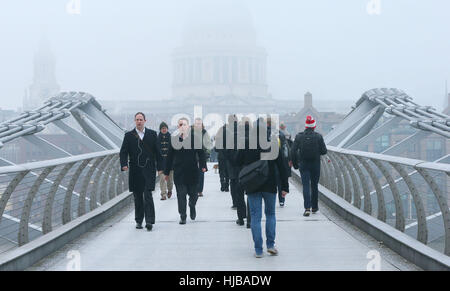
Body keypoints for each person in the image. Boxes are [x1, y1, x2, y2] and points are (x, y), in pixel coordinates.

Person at [236, 118, 289, 258]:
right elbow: (282, 166)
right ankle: (270, 245)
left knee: (255, 217)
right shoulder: (272, 143)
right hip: (270, 184)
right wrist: (284, 187)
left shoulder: (247, 143)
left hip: (252, 184)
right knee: (270, 214)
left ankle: (258, 250)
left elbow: (237, 161)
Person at [120, 112, 162, 231]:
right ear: (135, 121)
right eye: (137, 119)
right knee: (137, 196)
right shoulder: (129, 135)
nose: (139, 121)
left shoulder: (152, 135)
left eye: (141, 119)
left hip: (148, 170)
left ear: (145, 121)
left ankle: (149, 221)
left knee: (148, 195)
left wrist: (160, 168)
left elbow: (158, 152)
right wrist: (124, 164)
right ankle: (139, 220)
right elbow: (123, 152)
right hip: (135, 170)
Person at [164, 117, 207, 225]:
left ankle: (192, 205)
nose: (182, 126)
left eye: (184, 124)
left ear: (188, 126)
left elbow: (201, 153)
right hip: (179, 172)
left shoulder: (195, 138)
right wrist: (166, 172)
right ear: (178, 127)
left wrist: (203, 166)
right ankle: (182, 215)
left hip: (192, 171)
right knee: (181, 194)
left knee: (194, 195)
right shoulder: (174, 140)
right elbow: (169, 156)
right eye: (180, 125)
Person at [291, 116, 327, 217]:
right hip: (315, 164)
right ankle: (314, 207)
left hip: (303, 164)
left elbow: (293, 151)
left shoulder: (299, 136)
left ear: (306, 126)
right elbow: (324, 151)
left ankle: (307, 208)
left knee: (306, 185)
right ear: (314, 126)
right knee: (314, 185)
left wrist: (295, 164)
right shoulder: (318, 137)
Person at [193, 118, 212, 197]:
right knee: (193, 174)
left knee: (201, 174)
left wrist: (207, 153)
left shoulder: (204, 132)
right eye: (197, 123)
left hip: (201, 156)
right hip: (192, 156)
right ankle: (194, 189)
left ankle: (200, 190)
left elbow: (208, 143)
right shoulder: (191, 132)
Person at [276, 122, 293, 207]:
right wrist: (290, 160)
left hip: (275, 162)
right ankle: (282, 200)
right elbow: (288, 150)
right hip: (284, 162)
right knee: (282, 182)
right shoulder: (287, 135)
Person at [157, 121, 173, 200]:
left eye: (165, 128)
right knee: (162, 179)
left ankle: (170, 190)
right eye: (162, 128)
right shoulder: (157, 138)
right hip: (161, 162)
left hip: (170, 162)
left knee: (170, 179)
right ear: (160, 129)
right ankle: (163, 194)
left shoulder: (171, 137)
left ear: (167, 129)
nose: (164, 130)